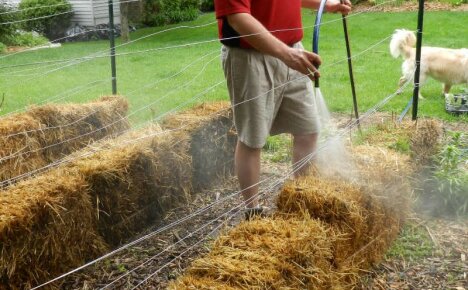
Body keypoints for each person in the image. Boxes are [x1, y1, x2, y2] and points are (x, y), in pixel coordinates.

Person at [214, 0, 352, 219]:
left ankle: (304, 198)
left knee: (308, 129)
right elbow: (237, 18)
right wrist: (286, 54)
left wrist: (326, 5)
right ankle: (253, 212)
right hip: (250, 57)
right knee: (253, 138)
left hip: (293, 51)